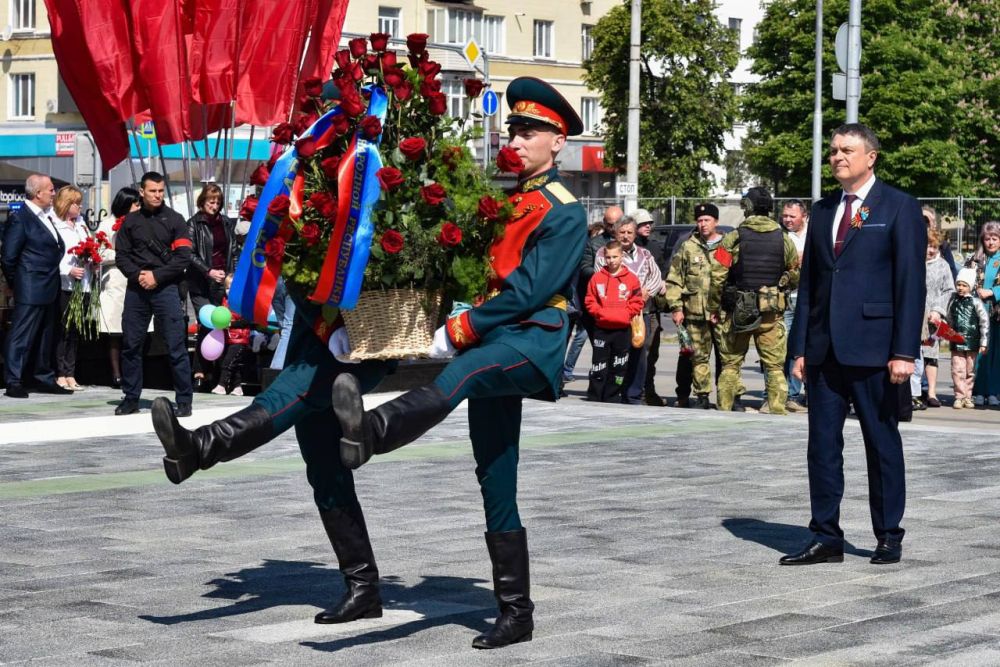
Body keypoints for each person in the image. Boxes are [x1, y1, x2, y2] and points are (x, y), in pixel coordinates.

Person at [331, 76, 587, 649]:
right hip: (494, 338)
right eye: (514, 129)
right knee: (495, 475)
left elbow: (529, 290)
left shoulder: (564, 210)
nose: (517, 140)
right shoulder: (502, 201)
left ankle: (372, 431)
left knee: (463, 375)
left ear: (558, 142)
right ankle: (516, 613)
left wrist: (463, 328)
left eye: (530, 132)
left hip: (531, 339)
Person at [782, 123, 926, 566]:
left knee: (881, 444)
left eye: (847, 150)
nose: (837, 157)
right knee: (822, 447)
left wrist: (904, 352)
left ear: (871, 157)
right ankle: (826, 536)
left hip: (876, 349)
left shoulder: (898, 207)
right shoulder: (824, 210)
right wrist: (799, 348)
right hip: (824, 350)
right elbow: (810, 285)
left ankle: (888, 534)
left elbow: (910, 284)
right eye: (833, 151)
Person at [711, 187, 799, 415]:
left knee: (730, 365)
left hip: (738, 312)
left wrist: (714, 306)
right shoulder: (783, 238)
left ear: (747, 207)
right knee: (775, 367)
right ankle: (777, 411)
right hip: (771, 312)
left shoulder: (734, 237)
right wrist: (782, 283)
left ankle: (724, 412)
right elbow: (795, 273)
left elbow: (717, 275)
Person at [115, 172, 193, 416]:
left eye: (160, 191)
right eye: (152, 191)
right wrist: (137, 275)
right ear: (142, 191)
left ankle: (184, 401)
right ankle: (131, 398)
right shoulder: (130, 221)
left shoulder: (176, 219)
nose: (158, 195)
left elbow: (183, 258)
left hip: (166, 288)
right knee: (131, 345)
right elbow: (121, 256)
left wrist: (156, 276)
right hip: (137, 289)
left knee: (176, 345)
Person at [1, 173, 73, 398]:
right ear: (38, 193)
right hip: (31, 286)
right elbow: (8, 257)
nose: (54, 193)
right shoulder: (21, 218)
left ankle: (43, 377)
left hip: (49, 285)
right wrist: (18, 283)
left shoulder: (46, 216)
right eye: (50, 189)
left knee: (46, 334)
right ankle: (13, 380)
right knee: (21, 334)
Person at [595, 217, 663, 404]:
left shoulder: (645, 254)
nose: (625, 236)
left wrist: (647, 292)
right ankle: (611, 393)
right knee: (614, 356)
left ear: (634, 234)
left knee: (638, 355)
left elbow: (656, 276)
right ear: (615, 233)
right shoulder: (605, 253)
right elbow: (601, 278)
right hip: (614, 314)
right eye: (622, 232)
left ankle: (633, 395)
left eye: (629, 232)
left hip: (640, 313)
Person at [665, 203, 725, 410]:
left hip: (721, 314)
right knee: (698, 358)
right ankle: (702, 396)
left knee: (726, 358)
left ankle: (728, 397)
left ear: (716, 222)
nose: (703, 224)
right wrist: (676, 307)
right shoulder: (688, 247)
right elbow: (674, 280)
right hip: (694, 314)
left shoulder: (726, 247)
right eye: (699, 220)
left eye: (707, 220)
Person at [187, 183, 238, 391]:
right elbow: (189, 254)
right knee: (208, 322)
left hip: (221, 281)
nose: (214, 206)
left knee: (221, 324)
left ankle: (216, 373)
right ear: (203, 201)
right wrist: (208, 271)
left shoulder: (226, 223)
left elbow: (233, 251)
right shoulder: (194, 223)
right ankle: (199, 372)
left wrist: (231, 276)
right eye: (211, 201)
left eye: (217, 202)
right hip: (201, 282)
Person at [584, 240, 644, 402]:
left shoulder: (631, 279)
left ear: (622, 256)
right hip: (602, 329)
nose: (611, 260)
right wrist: (599, 313)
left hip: (622, 329)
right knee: (599, 366)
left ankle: (612, 396)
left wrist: (626, 314)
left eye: (615, 257)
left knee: (619, 366)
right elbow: (590, 300)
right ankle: (595, 396)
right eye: (608, 257)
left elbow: (637, 301)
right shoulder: (597, 278)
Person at [97, 188, 141, 388]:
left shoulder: (141, 222)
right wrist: (121, 254)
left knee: (135, 330)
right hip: (115, 280)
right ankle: (116, 374)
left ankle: (133, 372)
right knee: (115, 331)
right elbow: (99, 253)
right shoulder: (107, 224)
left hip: (135, 278)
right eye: (135, 204)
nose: (138, 207)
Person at [52, 186, 93, 391]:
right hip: (65, 285)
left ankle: (71, 372)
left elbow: (89, 247)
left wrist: (93, 261)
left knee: (76, 330)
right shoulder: (56, 225)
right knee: (63, 330)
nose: (80, 207)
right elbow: (52, 256)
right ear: (66, 204)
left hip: (83, 284)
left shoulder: (81, 225)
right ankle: (60, 373)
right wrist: (67, 270)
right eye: (76, 203)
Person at [912, 229, 954, 409]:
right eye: (928, 246)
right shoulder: (913, 261)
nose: (931, 250)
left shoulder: (943, 265)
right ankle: (913, 392)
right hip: (914, 314)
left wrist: (938, 310)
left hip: (933, 318)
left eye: (934, 247)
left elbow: (949, 290)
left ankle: (931, 392)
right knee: (913, 353)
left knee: (931, 354)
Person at [633, 209, 667, 405]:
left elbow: (663, 271)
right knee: (639, 353)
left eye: (649, 223)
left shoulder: (654, 247)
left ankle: (649, 390)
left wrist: (663, 282)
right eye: (643, 224)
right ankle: (636, 391)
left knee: (652, 352)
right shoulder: (629, 248)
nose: (648, 226)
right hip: (634, 310)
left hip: (652, 309)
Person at [780, 199, 809, 411]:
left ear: (804, 216)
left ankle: (806, 392)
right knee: (787, 347)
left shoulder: (815, 233)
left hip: (809, 299)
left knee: (806, 347)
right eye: (785, 216)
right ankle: (788, 393)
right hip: (787, 298)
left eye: (792, 216)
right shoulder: (780, 236)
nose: (787, 220)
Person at [967, 222, 1000, 407]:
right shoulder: (975, 259)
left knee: (996, 354)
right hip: (978, 313)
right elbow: (964, 281)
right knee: (980, 353)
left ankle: (994, 391)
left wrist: (993, 292)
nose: (991, 242)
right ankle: (979, 391)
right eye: (987, 239)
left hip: (997, 314)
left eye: (995, 238)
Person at [948, 267, 989, 409]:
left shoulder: (976, 302)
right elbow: (949, 319)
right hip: (956, 341)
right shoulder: (953, 301)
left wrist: (984, 342)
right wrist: (947, 333)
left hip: (972, 342)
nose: (960, 288)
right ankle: (959, 397)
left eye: (964, 285)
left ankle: (968, 396)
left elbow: (984, 323)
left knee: (970, 371)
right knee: (957, 369)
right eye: (958, 284)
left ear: (970, 287)